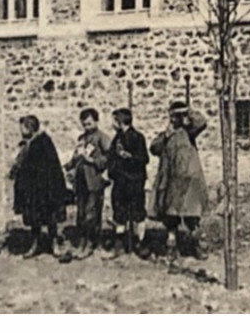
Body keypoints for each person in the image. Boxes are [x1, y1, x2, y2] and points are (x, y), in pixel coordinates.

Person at [150, 101, 208, 259]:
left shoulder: (190, 131)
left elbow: (202, 123)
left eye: (177, 116)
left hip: (189, 180)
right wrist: (166, 136)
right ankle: (171, 247)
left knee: (192, 216)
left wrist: (189, 113)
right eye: (173, 116)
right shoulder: (167, 133)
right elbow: (154, 148)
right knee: (171, 218)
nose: (174, 119)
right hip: (171, 182)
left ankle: (196, 246)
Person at [9, 114, 67, 258]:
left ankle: (54, 244)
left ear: (29, 128)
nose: (20, 131)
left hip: (45, 188)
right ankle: (35, 244)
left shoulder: (44, 142)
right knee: (34, 218)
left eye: (22, 128)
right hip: (32, 189)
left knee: (50, 217)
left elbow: (51, 166)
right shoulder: (27, 144)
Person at [63, 107, 112, 260]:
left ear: (96, 121)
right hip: (81, 181)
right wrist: (67, 166)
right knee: (81, 213)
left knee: (92, 213)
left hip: (94, 180)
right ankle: (82, 242)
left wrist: (93, 161)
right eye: (84, 124)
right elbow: (75, 158)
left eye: (89, 124)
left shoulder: (102, 138)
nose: (87, 127)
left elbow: (109, 158)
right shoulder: (81, 139)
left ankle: (91, 243)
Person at [106, 107, 149, 257]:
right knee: (119, 212)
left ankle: (140, 242)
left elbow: (144, 159)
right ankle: (119, 244)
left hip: (134, 181)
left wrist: (129, 157)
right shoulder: (117, 138)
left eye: (114, 120)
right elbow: (111, 156)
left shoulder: (138, 137)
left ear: (120, 121)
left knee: (138, 212)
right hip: (120, 181)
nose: (112, 124)